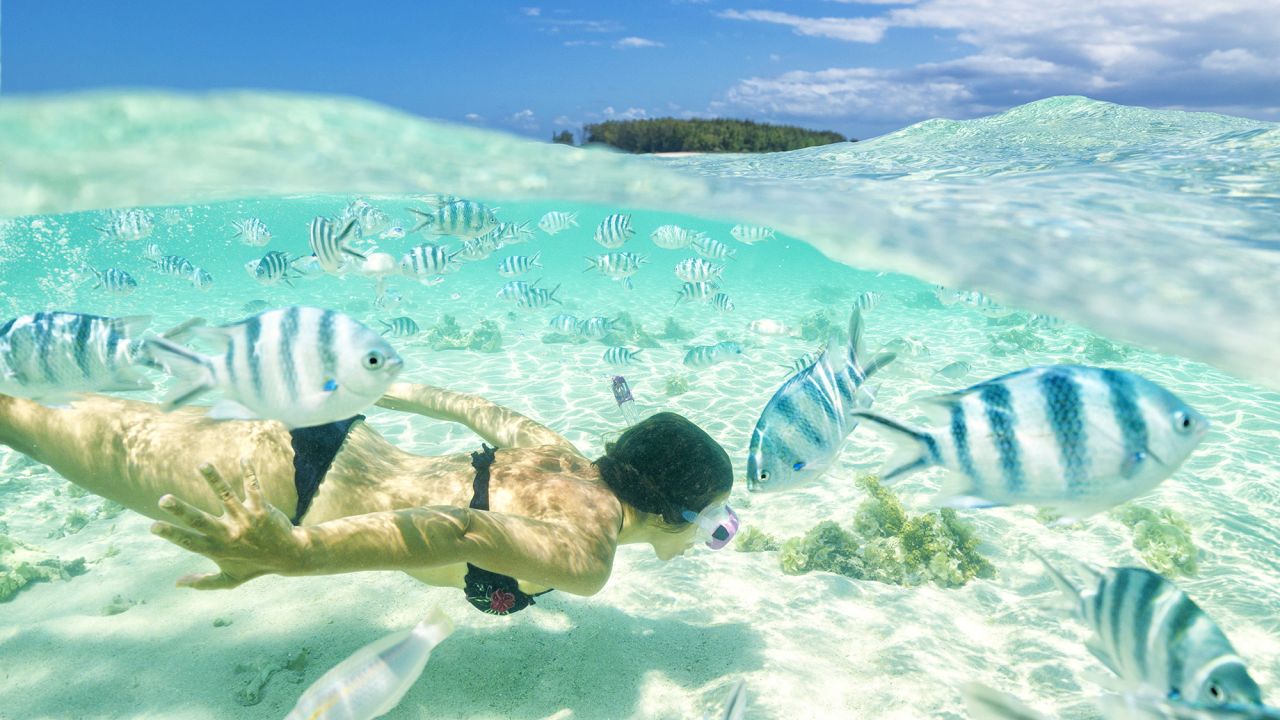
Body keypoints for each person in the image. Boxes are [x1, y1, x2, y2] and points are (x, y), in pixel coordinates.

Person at [0, 383, 737, 615]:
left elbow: (472, 407)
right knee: (29, 426)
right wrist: (298, 554)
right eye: (715, 526)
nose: (710, 537)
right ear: (678, 514)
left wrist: (361, 383)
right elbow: (462, 533)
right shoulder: (587, 554)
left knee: (66, 411)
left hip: (329, 431)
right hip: (286, 485)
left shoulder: (559, 454)